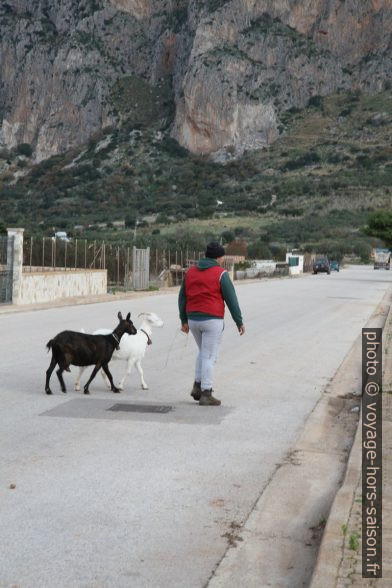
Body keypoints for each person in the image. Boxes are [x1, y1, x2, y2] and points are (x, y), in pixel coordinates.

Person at [178, 241, 245, 406]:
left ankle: (197, 386)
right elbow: (231, 299)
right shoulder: (221, 273)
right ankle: (206, 393)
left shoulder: (191, 271)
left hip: (193, 319)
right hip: (212, 320)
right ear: (219, 257)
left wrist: (184, 320)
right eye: (222, 256)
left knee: (203, 352)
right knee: (209, 356)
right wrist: (239, 321)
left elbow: (182, 297)